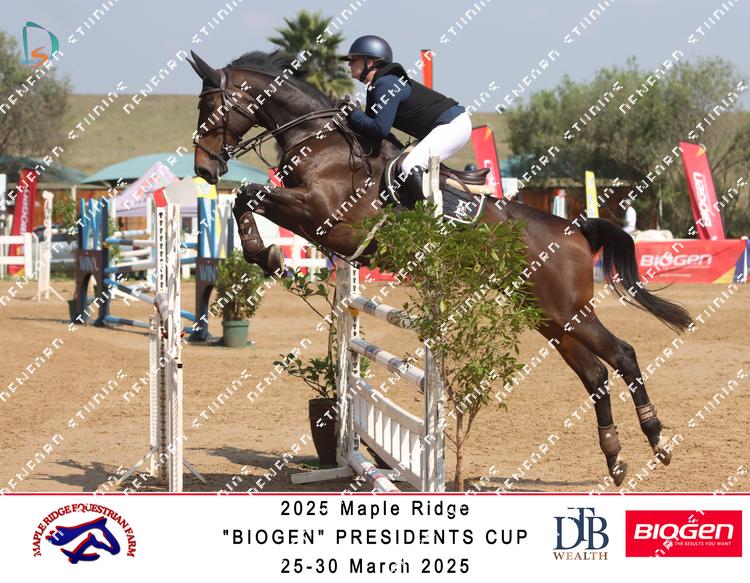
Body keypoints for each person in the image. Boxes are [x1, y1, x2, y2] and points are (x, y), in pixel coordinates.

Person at [339, 35, 472, 208]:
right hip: (444, 126)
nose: (349, 64)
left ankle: (431, 217)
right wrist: (351, 116)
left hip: (453, 125)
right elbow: (372, 130)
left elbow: (380, 129)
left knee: (410, 165)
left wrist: (353, 113)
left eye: (353, 60)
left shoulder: (385, 84)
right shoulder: (378, 84)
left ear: (369, 62)